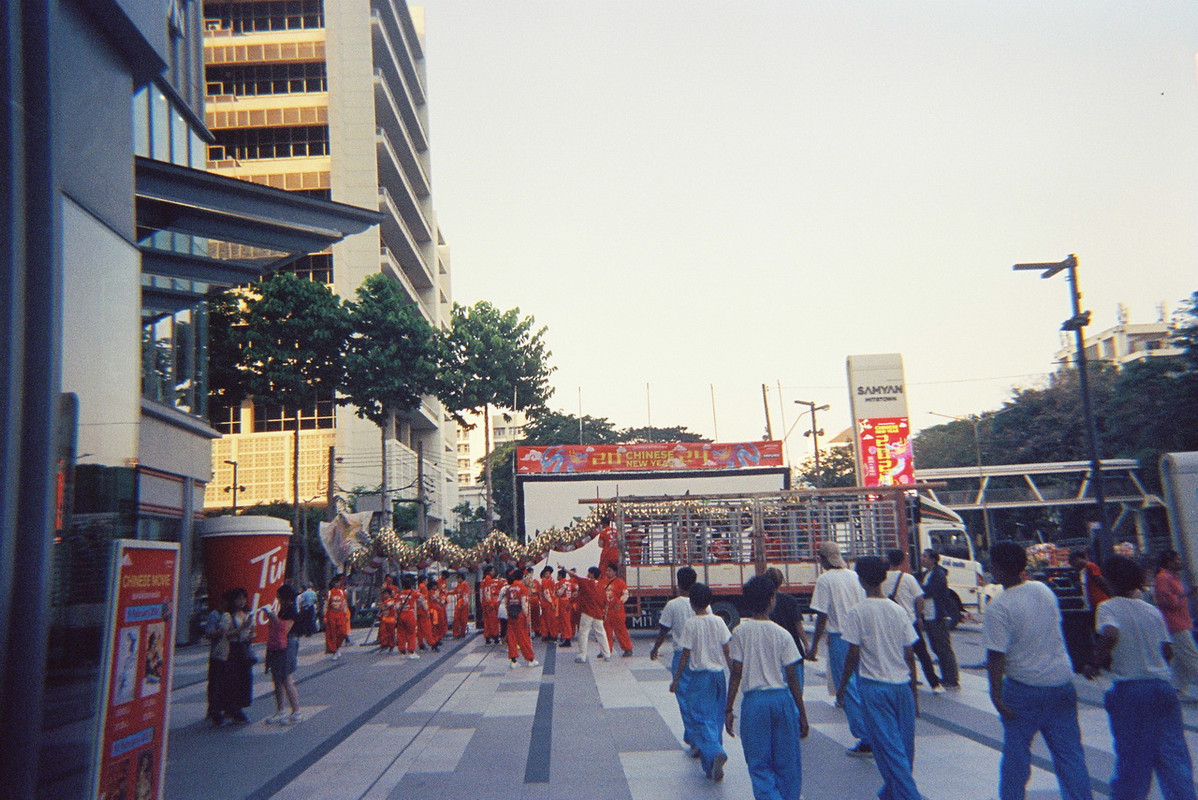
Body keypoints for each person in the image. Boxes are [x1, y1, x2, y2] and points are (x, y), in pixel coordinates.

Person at [984, 540, 1092, 800]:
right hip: (1060, 684)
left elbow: (996, 656)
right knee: (1070, 756)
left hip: (1024, 689)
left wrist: (996, 695)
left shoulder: (999, 606)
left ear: (998, 568)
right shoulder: (1044, 591)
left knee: (1017, 757)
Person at [1087, 555, 1196, 800]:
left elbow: (1110, 634)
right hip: (1161, 687)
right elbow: (1167, 649)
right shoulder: (1151, 610)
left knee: (1133, 760)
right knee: (1173, 756)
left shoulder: (1108, 607)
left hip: (1130, 689)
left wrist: (1095, 662)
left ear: (1109, 580)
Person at [837, 556, 921, 800]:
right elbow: (909, 655)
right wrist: (914, 694)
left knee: (889, 750)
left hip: (874, 688)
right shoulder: (899, 611)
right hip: (902, 686)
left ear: (861, 580)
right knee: (904, 749)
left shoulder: (857, 612)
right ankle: (891, 794)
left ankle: (907, 796)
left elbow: (852, 655)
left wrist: (842, 688)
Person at [725, 574, 809, 800]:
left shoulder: (739, 633)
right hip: (781, 700)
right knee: (787, 761)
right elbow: (792, 677)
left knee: (759, 763)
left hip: (754, 703)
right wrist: (801, 713)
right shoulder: (782, 634)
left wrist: (728, 708)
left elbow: (736, 673)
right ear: (772, 599)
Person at [808, 540, 870, 757]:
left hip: (839, 637)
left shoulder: (825, 580)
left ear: (824, 559)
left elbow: (822, 614)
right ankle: (873, 730)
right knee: (862, 683)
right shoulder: (854, 576)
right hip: (860, 636)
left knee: (847, 686)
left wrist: (814, 646)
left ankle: (865, 737)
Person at [670, 583, 731, 782]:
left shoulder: (691, 624)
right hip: (718, 675)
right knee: (716, 717)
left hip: (699, 677)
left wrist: (676, 679)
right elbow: (727, 650)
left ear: (692, 603)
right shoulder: (719, 621)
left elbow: (685, 654)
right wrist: (734, 673)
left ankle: (714, 751)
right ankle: (710, 766)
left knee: (699, 717)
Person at [650, 566, 701, 757]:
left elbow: (664, 629)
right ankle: (703, 738)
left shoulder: (672, 605)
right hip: (699, 655)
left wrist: (655, 649)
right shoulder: (702, 604)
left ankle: (694, 739)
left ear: (678, 584)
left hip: (681, 655)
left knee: (684, 699)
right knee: (698, 699)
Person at [882, 549, 941, 694]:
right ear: (902, 561)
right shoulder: (908, 578)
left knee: (895, 653)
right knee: (922, 654)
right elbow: (920, 599)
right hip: (909, 620)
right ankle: (934, 684)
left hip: (890, 622)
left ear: (888, 560)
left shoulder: (882, 578)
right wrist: (919, 616)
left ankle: (900, 679)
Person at [1154, 550, 1198, 702]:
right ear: (1169, 562)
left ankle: (1176, 690)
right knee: (1192, 657)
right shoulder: (1163, 578)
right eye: (1176, 560)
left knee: (1181, 662)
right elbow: (1165, 601)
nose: (1179, 562)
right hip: (1175, 624)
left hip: (1181, 622)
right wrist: (1185, 595)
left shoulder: (1172, 577)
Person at [207, 587, 255, 725]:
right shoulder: (227, 616)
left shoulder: (247, 614)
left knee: (243, 680)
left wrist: (250, 633)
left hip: (243, 649)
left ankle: (237, 708)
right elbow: (225, 635)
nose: (242, 601)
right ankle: (223, 710)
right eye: (238, 598)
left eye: (244, 598)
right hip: (231, 651)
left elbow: (252, 632)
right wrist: (242, 628)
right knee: (229, 682)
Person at [918, 549, 960, 690]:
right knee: (936, 647)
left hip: (937, 614)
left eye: (925, 556)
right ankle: (945, 675)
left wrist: (920, 590)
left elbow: (930, 591)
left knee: (943, 646)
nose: (922, 559)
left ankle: (952, 678)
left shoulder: (939, 574)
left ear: (933, 559)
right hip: (929, 614)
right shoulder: (926, 574)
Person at [264, 584, 302, 725]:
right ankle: (281, 710)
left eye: (279, 597)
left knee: (286, 677)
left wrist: (273, 618)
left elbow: (284, 629)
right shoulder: (284, 609)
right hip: (278, 645)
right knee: (277, 678)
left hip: (287, 644)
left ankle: (296, 711)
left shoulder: (291, 611)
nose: (278, 599)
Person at [765, 567, 808, 689]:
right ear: (781, 582)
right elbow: (798, 625)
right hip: (793, 649)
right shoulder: (790, 600)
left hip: (773, 651)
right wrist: (806, 644)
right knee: (796, 687)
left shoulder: (765, 602)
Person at [571, 566, 612, 663]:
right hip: (598, 613)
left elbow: (575, 575)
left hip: (587, 613)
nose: (587, 574)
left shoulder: (587, 582)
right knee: (601, 633)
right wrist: (605, 613)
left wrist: (563, 568)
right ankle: (607, 654)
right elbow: (605, 602)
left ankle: (582, 656)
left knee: (583, 634)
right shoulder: (602, 586)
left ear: (592, 574)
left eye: (589, 573)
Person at [504, 568, 540, 669]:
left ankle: (513, 660)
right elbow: (524, 604)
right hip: (520, 615)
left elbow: (507, 603)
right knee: (524, 637)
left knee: (512, 638)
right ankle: (530, 659)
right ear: (522, 577)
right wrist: (527, 617)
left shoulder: (509, 588)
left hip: (511, 615)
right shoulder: (523, 588)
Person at [603, 563, 634, 657]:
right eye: (607, 570)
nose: (607, 572)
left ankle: (627, 648)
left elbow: (625, 594)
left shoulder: (620, 582)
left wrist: (620, 603)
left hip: (617, 611)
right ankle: (606, 650)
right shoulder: (603, 582)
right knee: (606, 632)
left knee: (620, 630)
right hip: (606, 611)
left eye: (609, 571)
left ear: (615, 572)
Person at [324, 575, 351, 659]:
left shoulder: (342, 592)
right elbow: (326, 605)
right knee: (332, 633)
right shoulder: (329, 593)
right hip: (331, 614)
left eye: (338, 582)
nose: (338, 584)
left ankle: (338, 646)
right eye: (336, 582)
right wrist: (325, 616)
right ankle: (334, 650)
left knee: (343, 632)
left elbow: (344, 604)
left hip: (340, 614)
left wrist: (346, 615)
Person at [396, 574, 420, 659]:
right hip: (410, 614)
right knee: (411, 633)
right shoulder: (414, 593)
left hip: (401, 614)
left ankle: (402, 651)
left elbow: (396, 607)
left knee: (401, 633)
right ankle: (411, 651)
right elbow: (421, 599)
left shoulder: (399, 595)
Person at [480, 566, 502, 644]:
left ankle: (487, 636)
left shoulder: (483, 580)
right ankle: (495, 636)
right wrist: (490, 603)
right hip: (489, 603)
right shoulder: (488, 579)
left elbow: (482, 593)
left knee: (486, 621)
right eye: (492, 571)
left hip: (484, 603)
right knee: (493, 620)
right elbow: (487, 591)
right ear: (489, 571)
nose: (493, 572)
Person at [556, 567, 576, 647]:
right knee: (567, 621)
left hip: (562, 602)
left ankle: (566, 638)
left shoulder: (561, 583)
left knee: (564, 621)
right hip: (568, 601)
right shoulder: (569, 582)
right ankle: (566, 637)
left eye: (558, 575)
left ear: (560, 576)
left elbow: (559, 593)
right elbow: (576, 589)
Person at [537, 566, 558, 642]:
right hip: (548, 603)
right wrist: (552, 603)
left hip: (545, 603)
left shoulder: (545, 581)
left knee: (545, 620)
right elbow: (547, 593)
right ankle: (553, 635)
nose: (549, 575)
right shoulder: (546, 581)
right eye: (547, 573)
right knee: (551, 620)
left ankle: (546, 634)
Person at [376, 585, 398, 653]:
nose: (385, 595)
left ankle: (391, 645)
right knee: (383, 632)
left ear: (390, 594)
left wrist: (383, 606)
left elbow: (385, 607)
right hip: (384, 619)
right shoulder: (385, 601)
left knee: (391, 633)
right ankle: (384, 644)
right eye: (384, 594)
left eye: (386, 594)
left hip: (391, 619)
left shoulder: (391, 601)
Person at [452, 570, 471, 638]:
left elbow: (466, 595)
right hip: (459, 603)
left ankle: (462, 633)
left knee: (463, 620)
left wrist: (463, 604)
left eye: (459, 578)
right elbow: (454, 591)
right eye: (457, 578)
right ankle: (456, 633)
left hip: (463, 604)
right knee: (456, 619)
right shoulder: (459, 585)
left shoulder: (465, 584)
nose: (458, 579)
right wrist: (446, 592)